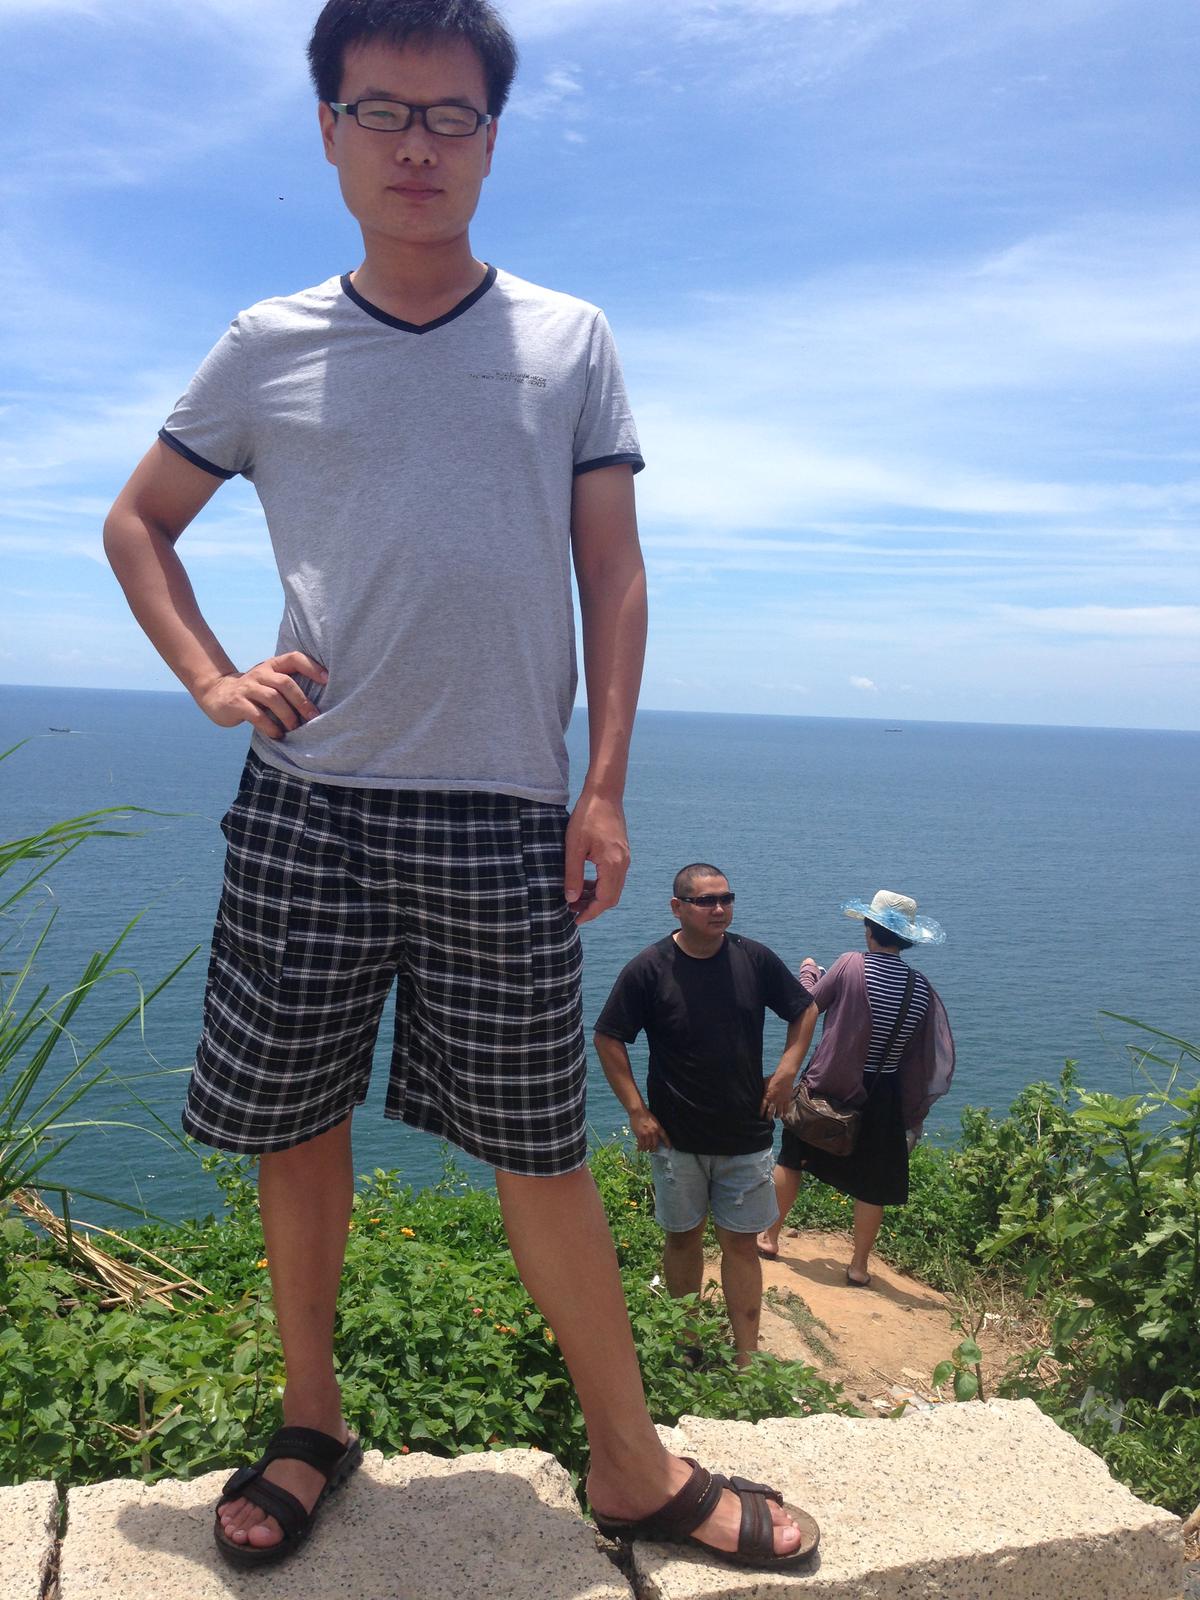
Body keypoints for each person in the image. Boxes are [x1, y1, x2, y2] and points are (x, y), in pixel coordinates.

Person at [102, 0, 818, 1574]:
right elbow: (138, 523)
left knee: (539, 1147)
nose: (416, 145)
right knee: (296, 1127)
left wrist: (602, 787)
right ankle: (311, 1422)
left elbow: (612, 571)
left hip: (502, 811)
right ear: (328, 131)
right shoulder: (267, 341)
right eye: (382, 111)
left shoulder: (568, 339)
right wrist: (215, 680)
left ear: (492, 137)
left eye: (451, 115)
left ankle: (630, 1462)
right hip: (308, 802)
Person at [593, 864, 817, 1367]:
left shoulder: (753, 958)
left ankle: (747, 1358)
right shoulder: (650, 968)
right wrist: (636, 1111)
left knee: (741, 1245)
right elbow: (608, 1037)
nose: (719, 909)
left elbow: (804, 1009)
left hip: (745, 1134)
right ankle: (686, 1348)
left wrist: (786, 1071)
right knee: (682, 1239)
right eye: (706, 901)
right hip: (677, 1138)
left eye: (726, 899)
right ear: (677, 907)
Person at [757, 890, 954, 1287]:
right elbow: (916, 1052)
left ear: (869, 929)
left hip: (832, 1085)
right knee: (873, 1182)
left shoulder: (850, 965)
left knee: (792, 1159)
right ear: (907, 938)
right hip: (885, 1092)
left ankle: (770, 1238)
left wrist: (809, 972)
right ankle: (859, 1266)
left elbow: (808, 1004)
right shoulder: (919, 988)